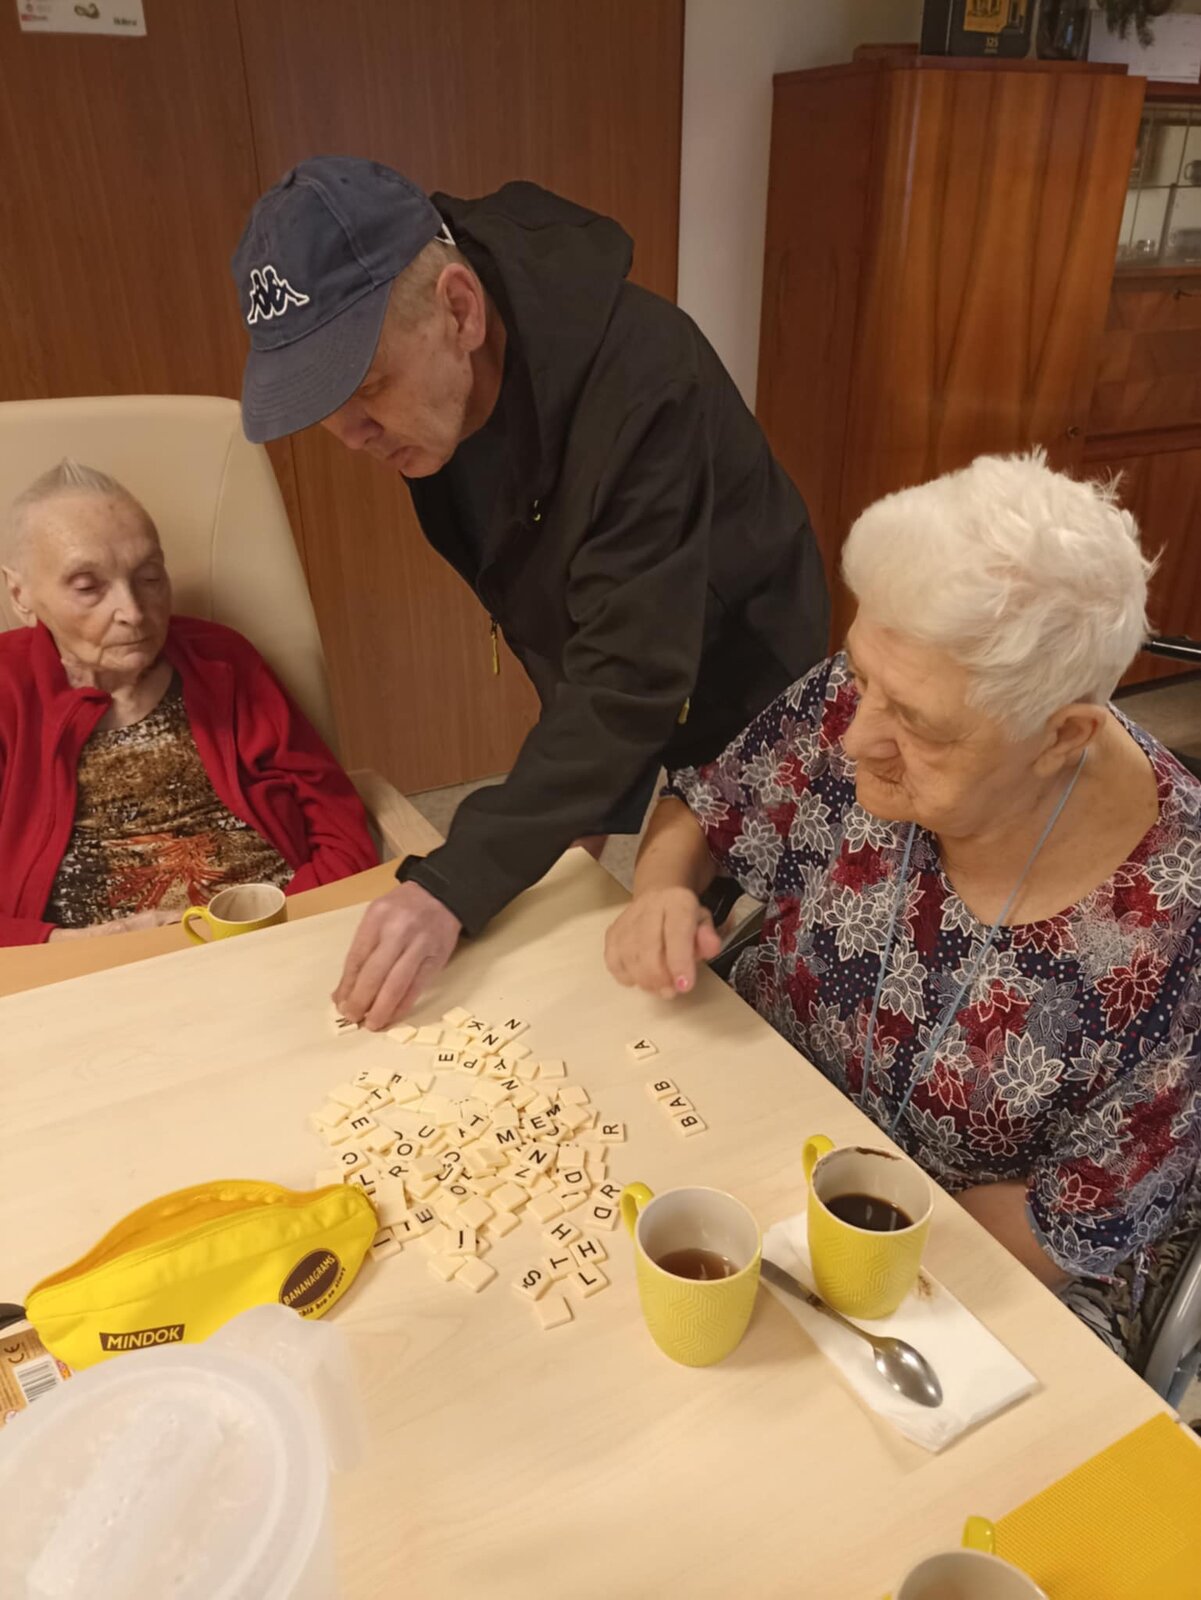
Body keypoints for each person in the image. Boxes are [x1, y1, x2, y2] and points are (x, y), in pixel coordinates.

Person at [605, 453, 1201, 1364]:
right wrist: (660, 889)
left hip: (958, 1255)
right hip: (748, 1103)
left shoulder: (1176, 925)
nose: (853, 736)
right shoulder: (890, 681)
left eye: (916, 723)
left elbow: (1062, 1227)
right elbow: (710, 809)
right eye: (860, 679)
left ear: (1061, 736)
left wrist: (817, 1268)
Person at [230, 157, 829, 1027]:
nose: (350, 436)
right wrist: (565, 810)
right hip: (624, 643)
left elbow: (627, 681)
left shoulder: (644, 378)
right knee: (570, 893)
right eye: (323, 408)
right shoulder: (433, 407)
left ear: (460, 310)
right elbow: (549, 610)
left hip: (741, 643)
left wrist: (454, 881)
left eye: (364, 389)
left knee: (739, 932)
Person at [0, 460, 377, 945]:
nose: (133, 612)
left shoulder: (223, 660)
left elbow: (336, 822)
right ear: (20, 594)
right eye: (89, 587)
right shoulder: (8, 690)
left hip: (274, 933)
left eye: (149, 577)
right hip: (94, 965)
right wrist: (68, 948)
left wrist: (291, 928)